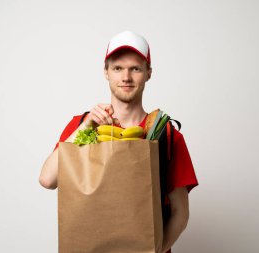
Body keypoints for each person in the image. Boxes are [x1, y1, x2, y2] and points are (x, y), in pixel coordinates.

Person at [39, 30, 199, 253]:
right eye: (117, 68)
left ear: (148, 73)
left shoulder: (166, 134)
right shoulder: (81, 124)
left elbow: (180, 212)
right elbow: (48, 179)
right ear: (106, 72)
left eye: (135, 68)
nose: (126, 77)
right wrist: (86, 127)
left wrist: (155, 250)